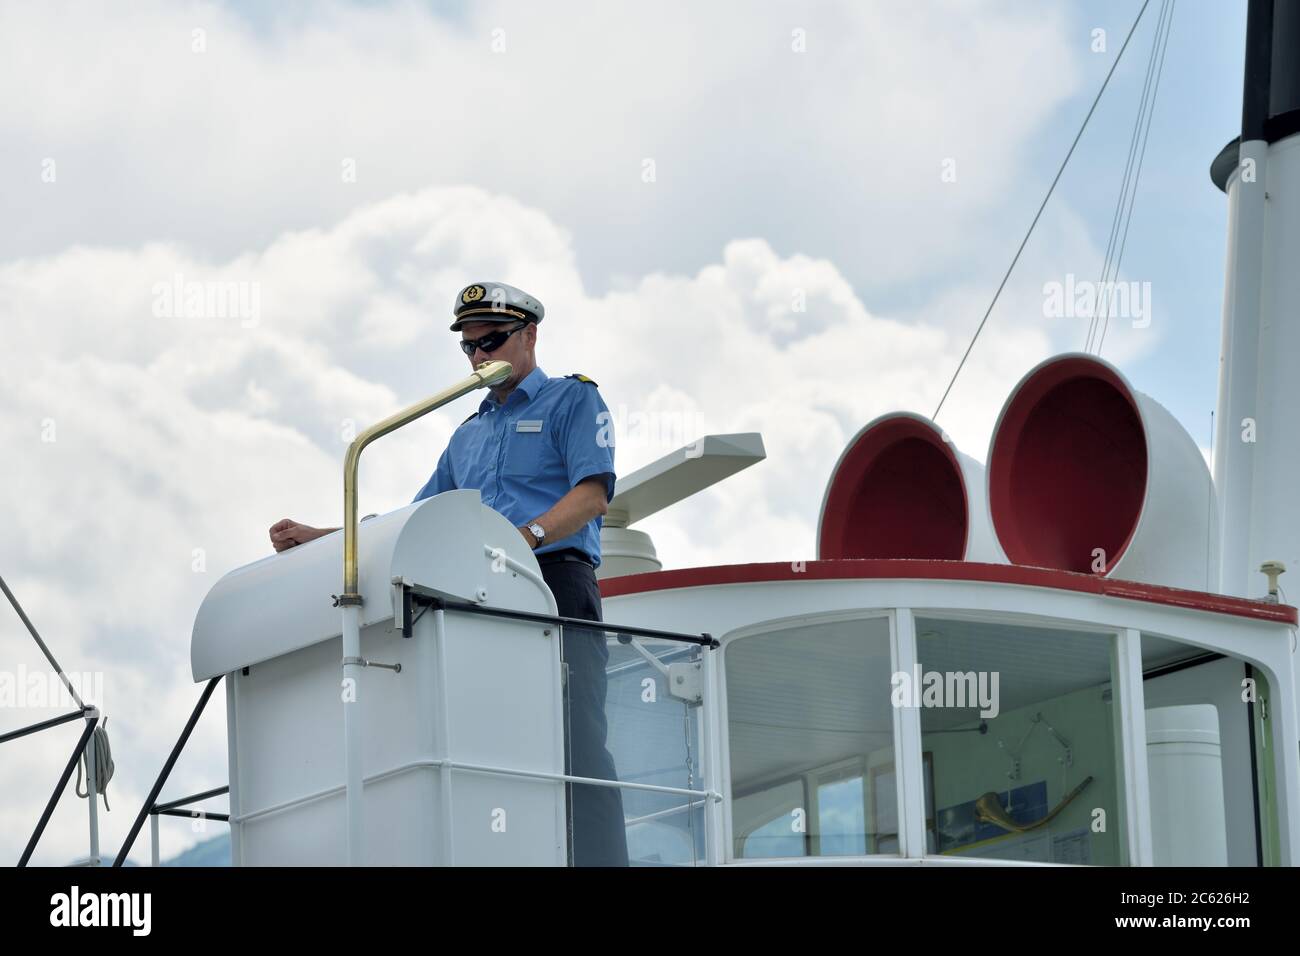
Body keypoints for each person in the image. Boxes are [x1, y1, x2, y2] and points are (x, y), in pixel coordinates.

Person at [268, 281, 628, 867]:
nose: (480, 356)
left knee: (577, 737)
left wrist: (526, 536)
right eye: (469, 348)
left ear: (530, 335)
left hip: (553, 579)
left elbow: (592, 494)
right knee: (489, 738)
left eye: (491, 341)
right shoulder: (468, 433)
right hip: (480, 593)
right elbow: (414, 524)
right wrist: (324, 537)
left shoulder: (572, 400)